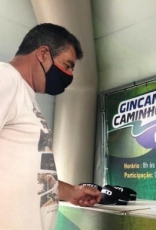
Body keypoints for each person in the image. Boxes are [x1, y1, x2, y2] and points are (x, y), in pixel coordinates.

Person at [0, 23, 100, 229]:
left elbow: (33, 174)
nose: (70, 75)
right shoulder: (5, 78)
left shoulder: (26, 97)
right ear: (43, 53)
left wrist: (71, 192)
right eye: (67, 65)